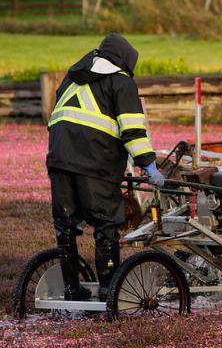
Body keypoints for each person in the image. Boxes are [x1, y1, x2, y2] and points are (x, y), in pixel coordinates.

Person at [46, 33, 166, 301]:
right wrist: (149, 166)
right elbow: (133, 130)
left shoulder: (72, 77)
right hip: (95, 163)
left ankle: (71, 289)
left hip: (59, 161)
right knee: (106, 224)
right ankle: (108, 289)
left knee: (65, 226)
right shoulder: (120, 82)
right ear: (125, 61)